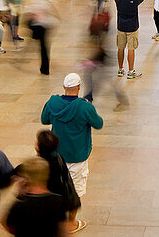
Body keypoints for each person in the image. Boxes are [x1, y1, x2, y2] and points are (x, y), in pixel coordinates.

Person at [41, 73, 102, 234]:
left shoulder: (53, 102)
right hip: (77, 156)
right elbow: (98, 123)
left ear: (64, 87)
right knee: (75, 191)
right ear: (79, 87)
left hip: (56, 155)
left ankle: (56, 220)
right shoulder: (84, 106)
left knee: (55, 187)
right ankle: (71, 223)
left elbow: (44, 119)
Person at [2, 157, 67, 236]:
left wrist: (20, 193)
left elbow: (7, 225)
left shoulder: (19, 206)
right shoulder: (58, 202)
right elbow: (63, 231)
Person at [34, 130, 81, 234]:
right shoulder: (59, 159)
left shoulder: (37, 166)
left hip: (46, 207)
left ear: (38, 146)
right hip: (59, 204)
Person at [114, 0, 146, 78]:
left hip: (121, 27)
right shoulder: (134, 0)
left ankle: (120, 69)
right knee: (131, 49)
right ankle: (131, 71)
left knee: (120, 48)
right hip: (132, 27)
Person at [26, 0, 60, 76]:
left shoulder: (34, 2)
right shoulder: (48, 1)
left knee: (42, 47)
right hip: (45, 26)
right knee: (44, 47)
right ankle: (45, 68)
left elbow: (30, 14)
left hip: (38, 26)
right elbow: (55, 11)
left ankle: (44, 68)